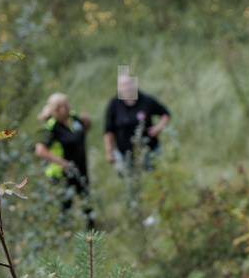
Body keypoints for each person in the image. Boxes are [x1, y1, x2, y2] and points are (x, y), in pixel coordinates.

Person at [35, 92, 94, 229]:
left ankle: (91, 229)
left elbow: (83, 132)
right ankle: (63, 231)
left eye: (68, 104)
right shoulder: (51, 127)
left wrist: (87, 123)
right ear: (57, 110)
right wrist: (63, 163)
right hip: (62, 172)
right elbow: (40, 150)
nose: (69, 107)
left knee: (86, 197)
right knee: (66, 203)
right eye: (65, 106)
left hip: (80, 167)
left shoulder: (73, 118)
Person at [104, 74, 170, 174]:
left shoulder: (146, 100)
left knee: (154, 178)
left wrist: (158, 128)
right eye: (122, 86)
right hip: (126, 155)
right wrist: (109, 151)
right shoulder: (114, 104)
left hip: (149, 151)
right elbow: (109, 130)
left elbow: (165, 114)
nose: (126, 88)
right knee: (132, 183)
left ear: (134, 84)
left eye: (128, 84)